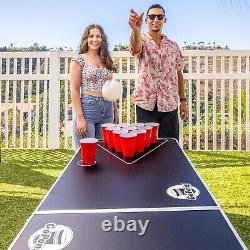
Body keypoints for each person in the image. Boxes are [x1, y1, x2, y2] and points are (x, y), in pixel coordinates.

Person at [128, 4, 188, 141]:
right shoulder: (141, 40)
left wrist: (183, 100)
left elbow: (179, 73)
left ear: (164, 20)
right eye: (152, 16)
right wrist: (136, 30)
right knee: (145, 147)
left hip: (169, 104)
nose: (156, 19)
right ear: (146, 20)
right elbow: (135, 48)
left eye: (159, 16)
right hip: (146, 104)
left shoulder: (173, 46)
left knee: (170, 147)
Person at [70, 24, 119, 150]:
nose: (95, 39)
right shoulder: (79, 59)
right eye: (91, 36)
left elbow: (110, 87)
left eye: (98, 36)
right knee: (87, 153)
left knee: (104, 152)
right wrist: (80, 118)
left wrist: (115, 110)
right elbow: (74, 90)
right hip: (88, 109)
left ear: (102, 39)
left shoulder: (106, 59)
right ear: (86, 38)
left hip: (108, 109)